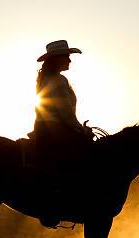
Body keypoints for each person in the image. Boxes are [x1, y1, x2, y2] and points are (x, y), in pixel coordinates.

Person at [31, 40, 94, 179]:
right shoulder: (59, 80)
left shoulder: (44, 78)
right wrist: (81, 130)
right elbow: (65, 114)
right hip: (56, 129)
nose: (70, 60)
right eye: (66, 56)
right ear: (57, 59)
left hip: (42, 128)